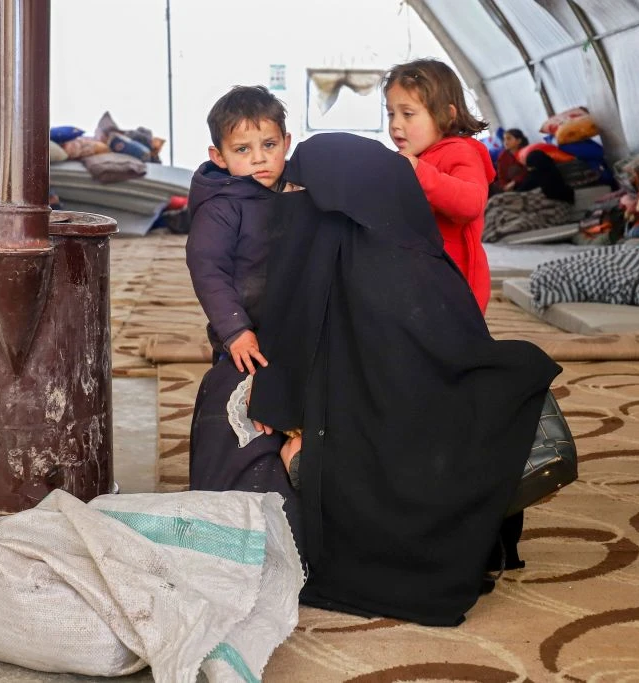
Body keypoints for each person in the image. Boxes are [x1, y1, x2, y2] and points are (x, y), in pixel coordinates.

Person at [191, 132, 560, 627]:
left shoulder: (356, 273)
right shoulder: (417, 257)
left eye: (300, 192)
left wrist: (309, 451)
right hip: (437, 452)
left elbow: (370, 401)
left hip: (399, 473)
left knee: (237, 417)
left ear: (339, 200)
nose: (289, 203)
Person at [185, 85, 291, 374]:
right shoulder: (219, 208)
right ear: (219, 157)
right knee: (236, 390)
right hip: (243, 333)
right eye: (243, 149)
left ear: (286, 143)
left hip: (291, 327)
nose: (259, 158)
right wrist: (234, 329)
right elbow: (208, 272)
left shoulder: (297, 190)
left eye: (269, 145)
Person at [383, 58, 495, 314]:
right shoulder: (409, 160)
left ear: (447, 114)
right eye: (391, 114)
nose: (396, 124)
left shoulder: (460, 152)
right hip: (417, 282)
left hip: (453, 290)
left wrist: (420, 173)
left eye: (408, 114)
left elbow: (470, 203)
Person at [482, 150, 577, 243]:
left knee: (504, 213)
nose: (530, 171)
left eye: (531, 169)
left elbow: (528, 196)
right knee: (498, 209)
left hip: (551, 211)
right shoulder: (542, 175)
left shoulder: (552, 182)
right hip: (527, 207)